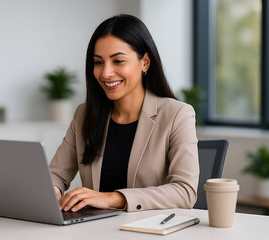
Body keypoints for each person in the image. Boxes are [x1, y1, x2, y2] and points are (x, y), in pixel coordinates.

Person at [50, 14, 199, 213]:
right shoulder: (84, 114)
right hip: (93, 230)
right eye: (98, 62)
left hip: (148, 231)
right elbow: (57, 174)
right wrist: (53, 189)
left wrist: (113, 198)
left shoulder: (177, 114)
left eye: (118, 61)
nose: (105, 73)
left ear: (145, 62)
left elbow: (185, 192)